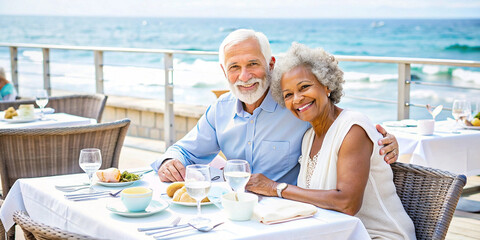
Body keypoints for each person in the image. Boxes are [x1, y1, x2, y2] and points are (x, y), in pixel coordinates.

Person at [151, 29, 400, 185]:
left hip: (289, 218)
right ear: (223, 72)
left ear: (271, 63)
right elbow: (185, 150)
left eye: (253, 64)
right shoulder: (220, 109)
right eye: (234, 67)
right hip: (238, 214)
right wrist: (169, 161)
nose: (245, 76)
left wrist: (385, 141)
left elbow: (342, 125)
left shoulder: (296, 104)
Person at [245, 42, 415, 239]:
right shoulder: (308, 137)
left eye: (305, 87)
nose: (298, 99)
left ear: (326, 85)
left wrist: (276, 188)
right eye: (288, 95)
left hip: (378, 236)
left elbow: (347, 203)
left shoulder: (353, 129)